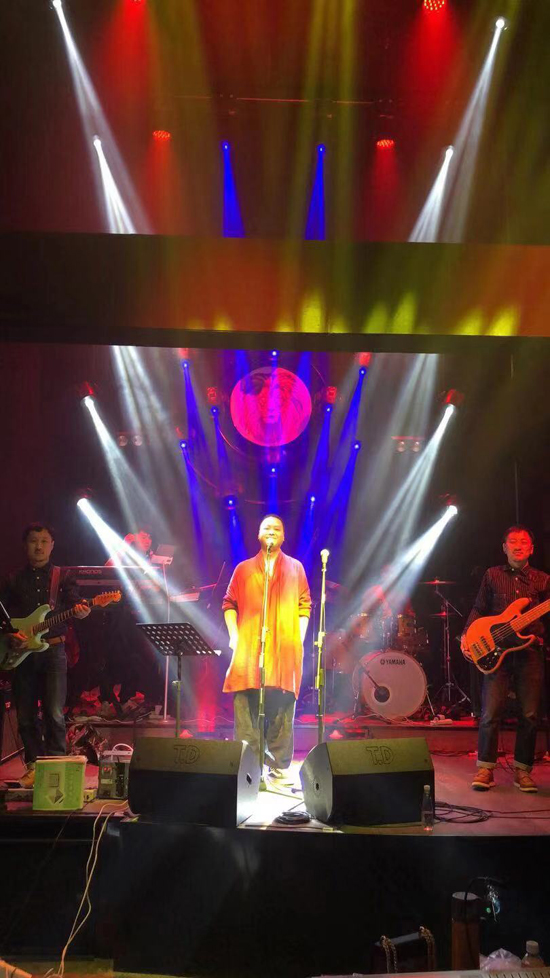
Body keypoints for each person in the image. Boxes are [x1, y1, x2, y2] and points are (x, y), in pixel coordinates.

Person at [222, 515, 311, 785]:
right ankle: (249, 767)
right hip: (249, 647)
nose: (272, 531)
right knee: (246, 705)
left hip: (284, 650)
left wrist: (299, 639)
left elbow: (304, 606)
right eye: (266, 527)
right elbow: (229, 604)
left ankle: (278, 767)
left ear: (283, 536)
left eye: (277, 528)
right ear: (258, 534)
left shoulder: (296, 568)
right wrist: (234, 636)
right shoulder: (244, 569)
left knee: (282, 708)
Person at [0, 523, 90, 787]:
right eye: (33, 541)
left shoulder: (63, 577)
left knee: (54, 713)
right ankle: (33, 767)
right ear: (25, 545)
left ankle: (56, 768)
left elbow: (74, 602)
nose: (38, 547)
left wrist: (82, 610)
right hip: (21, 653)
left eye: (44, 541)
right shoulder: (12, 579)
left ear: (52, 545)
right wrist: (8, 634)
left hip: (53, 650)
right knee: (25, 715)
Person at [462, 525, 550, 793]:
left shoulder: (543, 580)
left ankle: (522, 771)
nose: (518, 545)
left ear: (531, 549)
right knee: (490, 712)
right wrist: (466, 636)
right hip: (495, 650)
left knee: (530, 715)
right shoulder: (492, 575)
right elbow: (479, 608)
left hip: (529, 651)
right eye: (512, 541)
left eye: (524, 542)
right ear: (504, 547)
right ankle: (485, 769)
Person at [100, 524, 161, 719]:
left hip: (144, 614)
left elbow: (156, 586)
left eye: (149, 536)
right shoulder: (125, 554)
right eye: (143, 535)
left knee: (144, 657)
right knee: (117, 655)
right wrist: (125, 545)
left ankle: (137, 699)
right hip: (121, 613)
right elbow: (107, 569)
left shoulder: (151, 559)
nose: (147, 540)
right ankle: (109, 700)